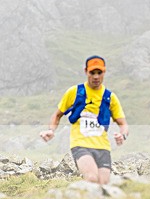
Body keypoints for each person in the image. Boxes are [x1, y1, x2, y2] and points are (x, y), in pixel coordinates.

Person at [39, 55, 129, 184]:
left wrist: (123, 135)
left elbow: (123, 124)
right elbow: (57, 115)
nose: (96, 76)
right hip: (80, 145)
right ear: (86, 71)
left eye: (99, 72)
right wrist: (51, 130)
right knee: (92, 179)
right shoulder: (75, 92)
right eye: (92, 72)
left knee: (104, 184)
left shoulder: (110, 98)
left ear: (104, 72)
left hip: (103, 147)